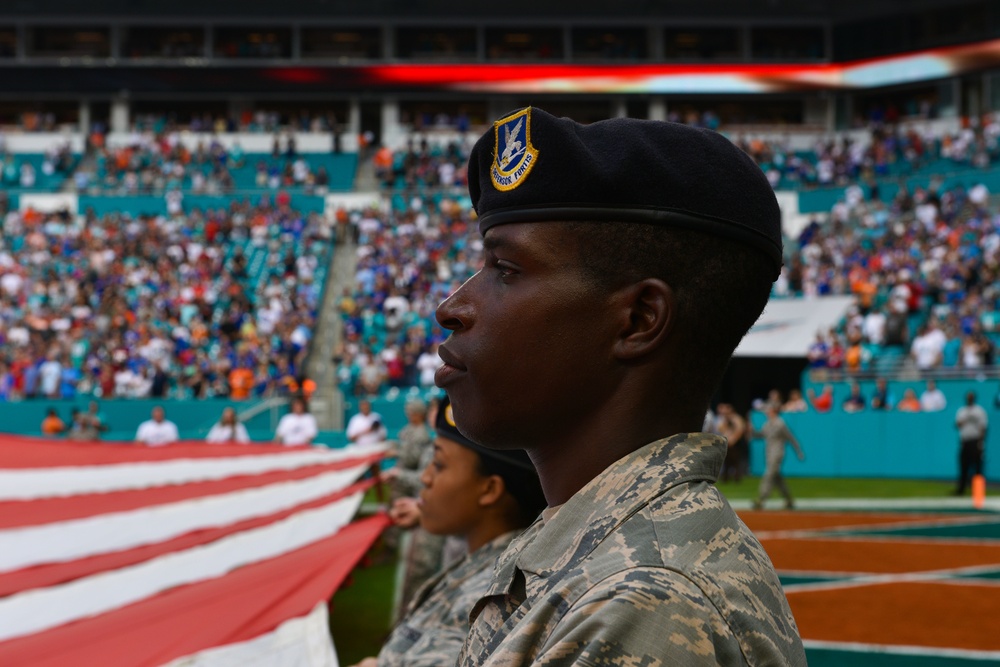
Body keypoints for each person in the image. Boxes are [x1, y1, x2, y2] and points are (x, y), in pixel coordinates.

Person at [436, 108, 806, 665]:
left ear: (637, 320)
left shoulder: (644, 600)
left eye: (505, 269)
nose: (453, 308)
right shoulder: (606, 556)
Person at [349, 396, 546, 667]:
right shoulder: (490, 563)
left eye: (439, 465)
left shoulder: (485, 600)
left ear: (489, 490)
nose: (425, 477)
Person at [750, 402, 806, 510]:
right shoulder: (767, 424)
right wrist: (751, 431)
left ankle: (761, 499)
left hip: (777, 453)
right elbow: (761, 435)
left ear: (774, 411)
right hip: (769, 453)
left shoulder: (780, 424)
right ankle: (789, 500)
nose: (766, 412)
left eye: (769, 410)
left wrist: (799, 451)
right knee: (777, 478)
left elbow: (791, 438)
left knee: (769, 474)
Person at [954, 391, 988, 495]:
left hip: (975, 441)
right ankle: (961, 490)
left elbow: (983, 427)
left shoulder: (979, 411)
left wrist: (981, 442)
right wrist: (966, 419)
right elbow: (957, 424)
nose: (969, 399)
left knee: (978, 468)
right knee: (963, 467)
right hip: (965, 441)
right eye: (968, 397)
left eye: (971, 397)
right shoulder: (962, 411)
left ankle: (978, 492)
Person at [715, 403, 747, 483]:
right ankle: (726, 477)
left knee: (735, 461)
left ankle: (736, 477)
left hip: (735, 444)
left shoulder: (736, 418)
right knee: (726, 461)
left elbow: (740, 430)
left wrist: (733, 440)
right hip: (727, 443)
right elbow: (721, 429)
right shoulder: (724, 419)